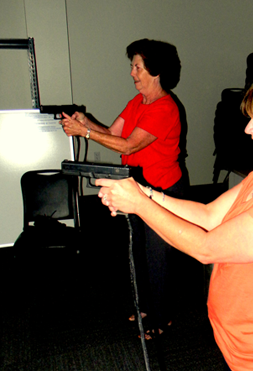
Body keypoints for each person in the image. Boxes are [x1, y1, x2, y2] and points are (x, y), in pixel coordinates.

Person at [95, 66, 253, 370]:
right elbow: (209, 215)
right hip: (246, 347)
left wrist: (138, 204)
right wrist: (149, 194)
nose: (248, 129)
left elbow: (206, 248)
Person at [60, 38, 189, 338]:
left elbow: (130, 144)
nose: (132, 72)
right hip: (138, 188)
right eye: (133, 66)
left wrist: (86, 132)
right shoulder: (138, 103)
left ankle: (162, 317)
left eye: (137, 67)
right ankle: (147, 306)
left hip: (164, 191)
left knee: (158, 255)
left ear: (155, 71)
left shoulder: (165, 109)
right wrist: (86, 122)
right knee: (139, 250)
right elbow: (113, 134)